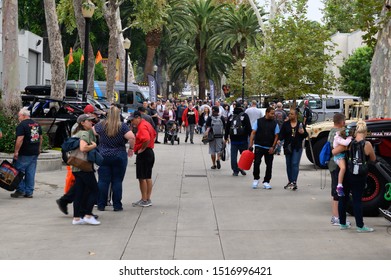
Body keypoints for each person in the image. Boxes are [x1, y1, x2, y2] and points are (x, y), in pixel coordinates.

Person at [335, 120, 376, 232]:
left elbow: (335, 151)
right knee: (357, 200)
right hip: (360, 176)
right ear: (365, 132)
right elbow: (373, 159)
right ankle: (360, 226)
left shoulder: (348, 142)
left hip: (347, 173)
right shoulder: (367, 144)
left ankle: (342, 223)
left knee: (343, 199)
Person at [93, 106, 135, 212]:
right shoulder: (122, 126)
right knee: (117, 180)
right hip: (119, 155)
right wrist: (131, 148)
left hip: (103, 155)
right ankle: (117, 205)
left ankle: (101, 204)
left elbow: (92, 131)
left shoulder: (101, 125)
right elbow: (132, 137)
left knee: (103, 180)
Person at [70, 114, 100, 225]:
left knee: (79, 192)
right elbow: (83, 148)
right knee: (95, 190)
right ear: (82, 122)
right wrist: (93, 145)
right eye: (89, 121)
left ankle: (77, 218)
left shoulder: (76, 133)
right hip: (84, 167)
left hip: (76, 166)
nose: (91, 122)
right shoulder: (84, 133)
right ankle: (88, 215)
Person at [10, 108, 43, 198]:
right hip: (34, 152)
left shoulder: (22, 125)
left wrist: (16, 152)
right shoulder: (36, 124)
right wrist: (39, 149)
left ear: (24, 115)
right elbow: (40, 137)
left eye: (19, 116)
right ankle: (29, 192)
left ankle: (21, 190)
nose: (18, 118)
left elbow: (20, 139)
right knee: (30, 172)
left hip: (25, 152)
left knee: (17, 171)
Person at [129, 111, 157, 207]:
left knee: (142, 178)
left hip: (145, 153)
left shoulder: (141, 126)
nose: (132, 122)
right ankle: (147, 198)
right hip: (149, 152)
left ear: (138, 118)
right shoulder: (147, 124)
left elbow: (146, 138)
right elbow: (154, 134)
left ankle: (144, 199)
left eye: (133, 120)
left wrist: (142, 149)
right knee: (147, 177)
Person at [249, 107, 279, 189]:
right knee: (256, 162)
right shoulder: (258, 121)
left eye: (274, 114)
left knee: (269, 165)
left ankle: (266, 181)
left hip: (269, 147)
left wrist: (273, 147)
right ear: (267, 113)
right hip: (259, 145)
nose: (273, 115)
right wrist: (251, 144)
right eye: (272, 113)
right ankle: (256, 179)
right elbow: (253, 132)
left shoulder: (275, 123)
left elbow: (276, 136)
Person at [278, 109, 308, 190]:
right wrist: (278, 140)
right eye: (289, 114)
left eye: (291, 114)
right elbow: (281, 134)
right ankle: (290, 181)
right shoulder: (285, 124)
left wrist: (302, 133)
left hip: (297, 146)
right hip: (288, 146)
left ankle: (294, 181)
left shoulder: (300, 124)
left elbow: (306, 135)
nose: (289, 115)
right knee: (289, 164)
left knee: (294, 163)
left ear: (296, 115)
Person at [328, 113, 349, 226]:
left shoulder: (331, 132)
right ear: (342, 122)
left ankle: (338, 216)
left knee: (337, 189)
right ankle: (336, 217)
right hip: (336, 163)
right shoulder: (336, 133)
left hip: (334, 163)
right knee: (337, 190)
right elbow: (336, 149)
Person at [224, 103, 252, 176]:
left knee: (233, 156)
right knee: (243, 156)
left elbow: (227, 128)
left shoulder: (231, 116)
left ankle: (235, 170)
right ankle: (241, 167)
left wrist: (226, 137)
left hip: (233, 140)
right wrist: (251, 138)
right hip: (243, 139)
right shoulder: (245, 116)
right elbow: (249, 127)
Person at [332, 126, 353, 197]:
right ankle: (339, 186)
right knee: (343, 168)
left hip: (341, 156)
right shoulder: (338, 138)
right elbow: (346, 143)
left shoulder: (339, 137)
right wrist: (350, 138)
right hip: (339, 157)